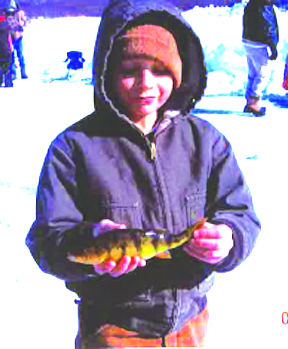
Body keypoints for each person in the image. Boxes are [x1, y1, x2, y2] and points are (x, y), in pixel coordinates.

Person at [25, 0, 260, 347]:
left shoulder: (206, 142)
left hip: (190, 325)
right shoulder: (73, 149)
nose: (145, 83)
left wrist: (229, 238)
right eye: (130, 68)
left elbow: (241, 214)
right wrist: (88, 243)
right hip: (113, 329)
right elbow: (47, 240)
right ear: (106, 70)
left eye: (160, 69)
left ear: (179, 73)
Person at [242, 0, 279, 116]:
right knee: (263, 73)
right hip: (259, 43)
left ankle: (249, 101)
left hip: (248, 41)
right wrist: (273, 46)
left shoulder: (251, 4)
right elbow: (268, 27)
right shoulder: (264, 6)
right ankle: (254, 102)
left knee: (253, 72)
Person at [6, 4, 28, 79]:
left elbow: (25, 22)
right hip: (10, 38)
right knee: (11, 56)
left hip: (18, 38)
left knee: (20, 55)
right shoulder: (6, 15)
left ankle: (23, 72)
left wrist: (22, 21)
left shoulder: (19, 13)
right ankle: (13, 73)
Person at [0, 7, 13, 87]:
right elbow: (10, 38)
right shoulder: (7, 25)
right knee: (7, 67)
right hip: (6, 50)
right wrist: (11, 48)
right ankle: (8, 82)